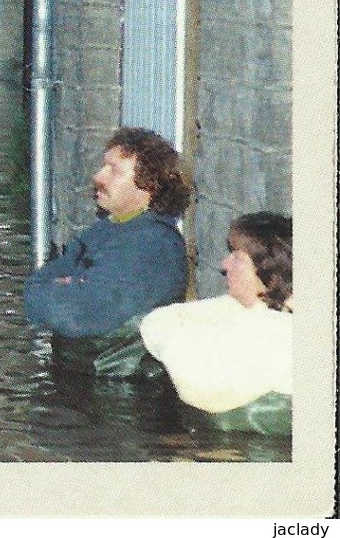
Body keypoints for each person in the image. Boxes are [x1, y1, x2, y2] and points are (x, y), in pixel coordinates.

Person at [24, 126, 191, 341]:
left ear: (149, 185)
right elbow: (37, 285)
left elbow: (77, 315)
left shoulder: (151, 244)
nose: (98, 176)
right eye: (104, 166)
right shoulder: (106, 229)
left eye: (114, 170)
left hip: (119, 372)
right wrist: (69, 287)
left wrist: (62, 287)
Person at [140, 212, 293, 416]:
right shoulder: (251, 310)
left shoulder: (277, 330)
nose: (224, 265)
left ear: (267, 269)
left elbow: (201, 389)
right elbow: (156, 321)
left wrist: (183, 339)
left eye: (237, 258)